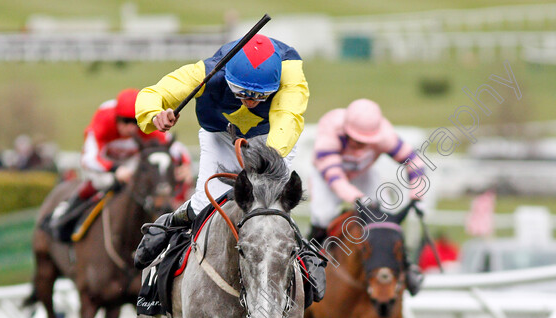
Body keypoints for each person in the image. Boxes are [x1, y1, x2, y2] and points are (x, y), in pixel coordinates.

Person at [133, 34, 309, 268]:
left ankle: (307, 261)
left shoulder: (290, 72)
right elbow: (154, 93)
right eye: (242, 92)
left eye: (261, 95)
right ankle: (169, 227)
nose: (251, 102)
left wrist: (268, 159)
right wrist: (156, 114)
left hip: (272, 138)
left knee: (272, 206)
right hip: (221, 135)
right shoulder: (207, 71)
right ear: (228, 78)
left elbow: (289, 117)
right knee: (205, 204)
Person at [309, 98, 427, 294]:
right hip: (327, 176)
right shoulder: (329, 134)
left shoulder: (386, 136)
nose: (360, 145)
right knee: (323, 215)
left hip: (363, 173)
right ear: (345, 130)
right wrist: (358, 198)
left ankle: (407, 267)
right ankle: (310, 262)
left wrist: (417, 195)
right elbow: (336, 179)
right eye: (356, 139)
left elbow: (415, 162)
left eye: (366, 142)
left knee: (386, 213)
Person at [48, 88, 190, 241]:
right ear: (116, 117)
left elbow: (173, 147)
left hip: (130, 163)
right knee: (99, 182)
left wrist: (186, 165)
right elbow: (89, 159)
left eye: (135, 121)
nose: (131, 128)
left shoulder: (147, 122)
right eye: (125, 121)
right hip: (103, 164)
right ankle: (66, 214)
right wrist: (115, 169)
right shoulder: (104, 118)